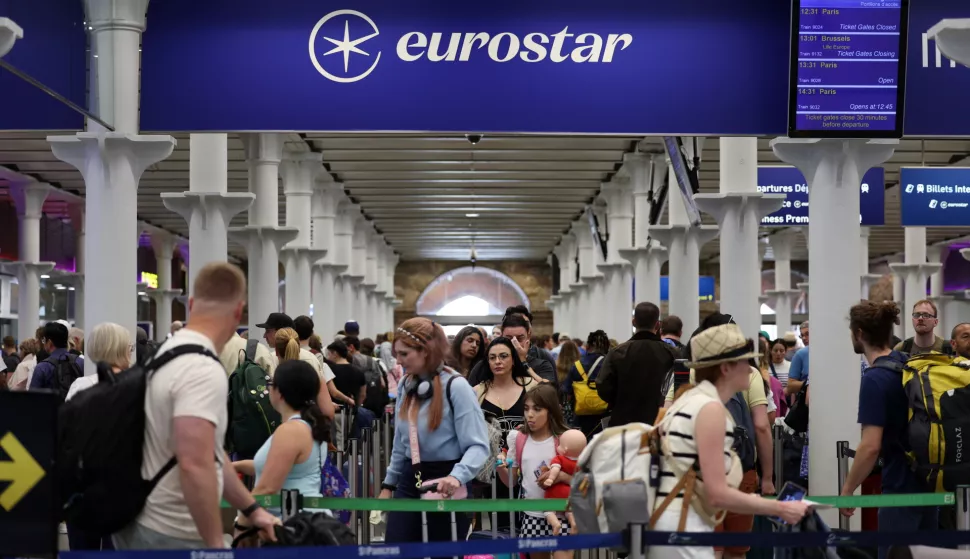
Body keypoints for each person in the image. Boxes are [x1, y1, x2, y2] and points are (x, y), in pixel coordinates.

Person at [112, 263, 279, 550]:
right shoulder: (201, 368)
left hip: (140, 518)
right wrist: (215, 542)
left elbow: (211, 455)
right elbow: (194, 462)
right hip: (171, 529)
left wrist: (252, 509)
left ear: (190, 305)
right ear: (238, 312)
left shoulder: (165, 354)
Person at [648, 324, 810, 559]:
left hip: (677, 525)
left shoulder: (692, 400)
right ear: (725, 368)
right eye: (743, 361)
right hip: (685, 530)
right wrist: (778, 507)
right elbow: (717, 494)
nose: (750, 368)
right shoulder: (710, 410)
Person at [379, 318, 489, 550]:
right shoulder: (406, 385)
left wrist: (457, 476)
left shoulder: (457, 387)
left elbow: (478, 446)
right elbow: (401, 441)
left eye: (404, 354)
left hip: (448, 482)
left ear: (425, 351)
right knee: (395, 550)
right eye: (396, 353)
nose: (398, 360)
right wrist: (389, 484)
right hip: (411, 479)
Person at [840, 301, 937, 559]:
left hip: (900, 488)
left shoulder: (874, 378)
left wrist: (848, 490)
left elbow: (870, 446)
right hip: (930, 483)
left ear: (859, 334)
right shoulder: (907, 362)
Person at [232, 360, 331, 520]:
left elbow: (267, 488)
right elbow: (284, 468)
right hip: (304, 522)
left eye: (270, 383)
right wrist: (237, 466)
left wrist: (243, 523)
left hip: (292, 526)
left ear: (279, 392)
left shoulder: (291, 431)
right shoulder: (308, 425)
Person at [497, 384, 571, 558]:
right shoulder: (519, 438)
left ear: (551, 410)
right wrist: (501, 469)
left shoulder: (565, 439)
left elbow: (583, 481)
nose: (530, 415)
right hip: (532, 515)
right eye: (526, 408)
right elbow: (511, 482)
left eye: (537, 409)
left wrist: (560, 476)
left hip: (563, 512)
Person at [597, 302, 677, 427]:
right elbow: (681, 385)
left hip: (623, 421)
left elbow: (603, 386)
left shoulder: (617, 353)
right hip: (660, 422)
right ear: (658, 325)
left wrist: (619, 400)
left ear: (633, 322)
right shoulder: (672, 353)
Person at [65, 323, 132, 402]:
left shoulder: (82, 386)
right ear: (122, 350)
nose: (130, 352)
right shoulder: (137, 385)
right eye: (130, 348)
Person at [564, 330, 612, 438]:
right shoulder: (610, 364)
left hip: (581, 418)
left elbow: (567, 393)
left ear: (588, 346)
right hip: (605, 418)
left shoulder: (577, 366)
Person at [29, 321, 84, 395]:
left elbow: (33, 399)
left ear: (49, 343)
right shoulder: (80, 362)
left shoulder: (42, 367)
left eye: (44, 340)